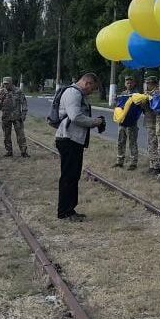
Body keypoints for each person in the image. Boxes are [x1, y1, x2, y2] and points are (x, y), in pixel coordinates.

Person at [54, 72, 106, 221]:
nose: (91, 92)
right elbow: (75, 116)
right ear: (87, 83)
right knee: (68, 177)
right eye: (92, 89)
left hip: (74, 139)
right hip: (68, 139)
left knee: (73, 176)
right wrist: (94, 122)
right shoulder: (73, 93)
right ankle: (64, 212)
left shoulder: (76, 93)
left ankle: (70, 209)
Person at [0, 76, 29, 158]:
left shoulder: (18, 91)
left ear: (11, 83)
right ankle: (9, 151)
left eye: (7, 84)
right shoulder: (1, 91)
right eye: (4, 84)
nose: (5, 86)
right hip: (6, 117)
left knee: (20, 135)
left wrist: (24, 114)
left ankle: (23, 151)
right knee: (6, 135)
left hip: (17, 117)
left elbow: (24, 103)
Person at [115, 73, 140, 169]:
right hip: (122, 123)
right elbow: (118, 107)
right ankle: (119, 161)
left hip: (131, 124)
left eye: (131, 83)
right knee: (120, 142)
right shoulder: (122, 94)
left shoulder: (136, 94)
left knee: (132, 143)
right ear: (125, 84)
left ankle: (133, 163)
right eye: (127, 82)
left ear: (134, 83)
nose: (129, 84)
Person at [142, 73, 159, 175]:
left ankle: (156, 166)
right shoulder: (148, 93)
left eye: (149, 83)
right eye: (147, 83)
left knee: (154, 144)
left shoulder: (156, 94)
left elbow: (155, 107)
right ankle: (152, 165)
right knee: (150, 144)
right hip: (149, 122)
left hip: (154, 122)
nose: (147, 85)